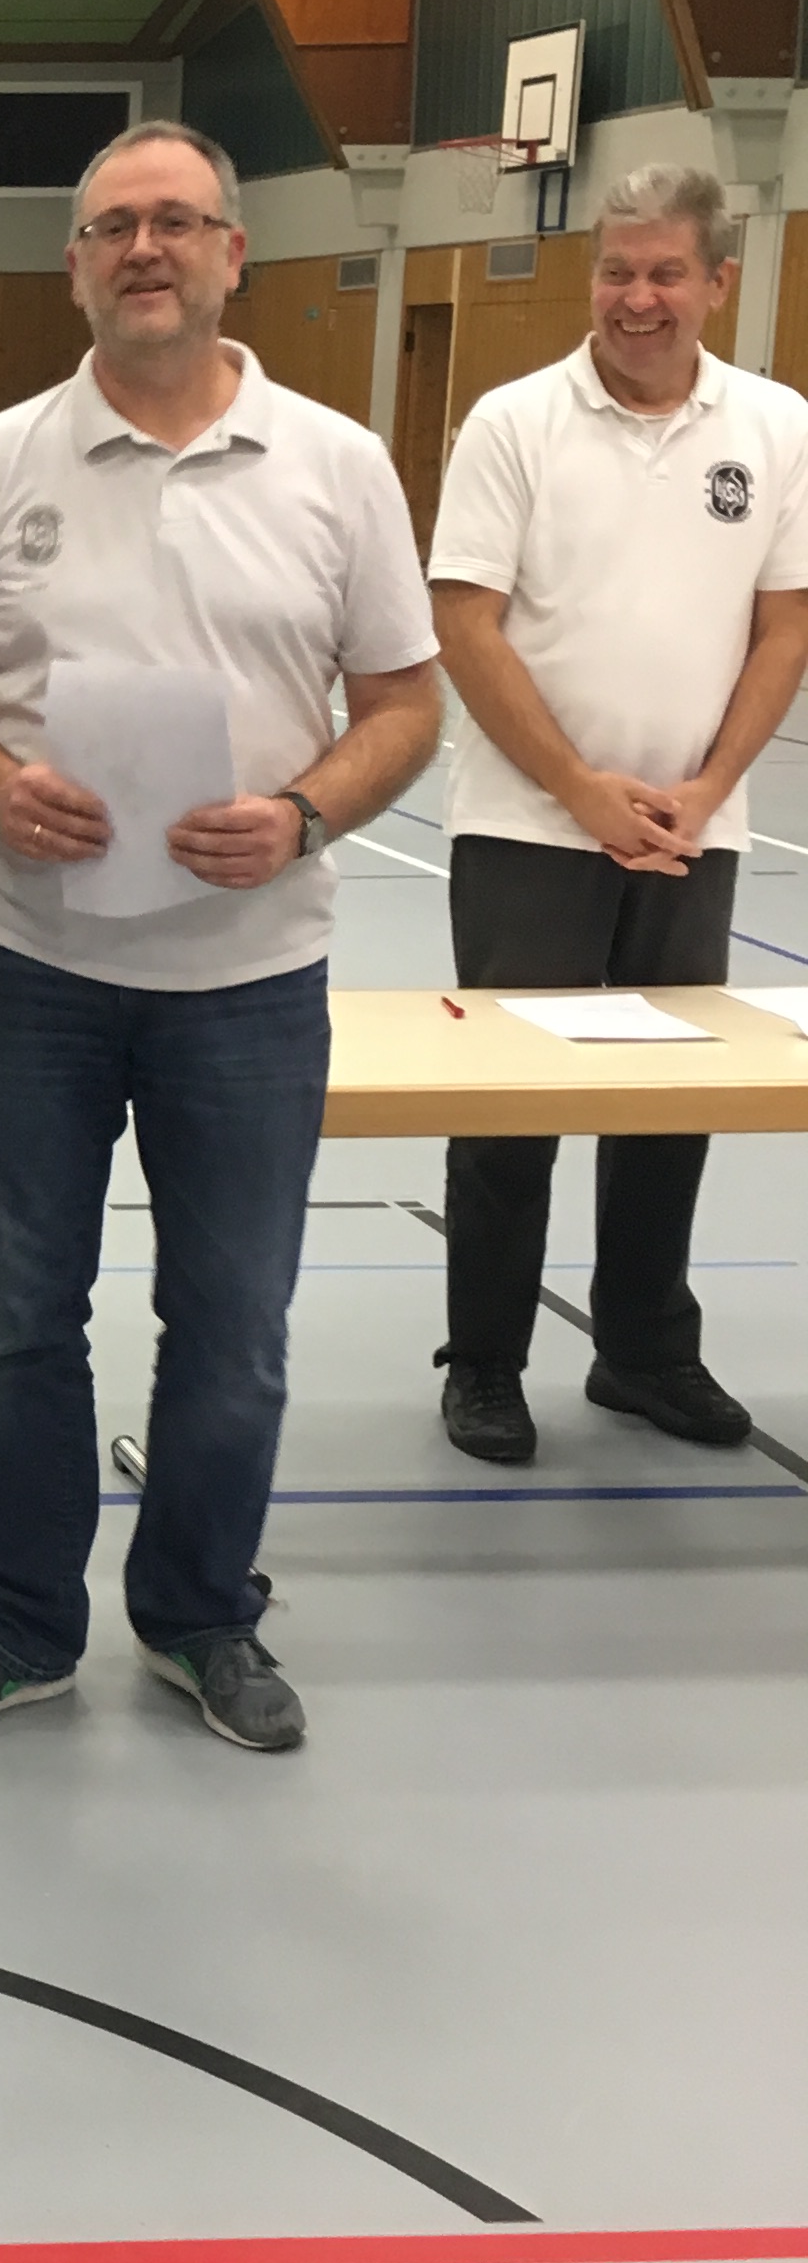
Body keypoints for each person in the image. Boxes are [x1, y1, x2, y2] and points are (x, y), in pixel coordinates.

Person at [0, 121, 442, 1759]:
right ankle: (16, 1621)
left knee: (236, 1330)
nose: (146, 249)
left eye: (178, 222)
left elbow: (405, 705)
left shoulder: (337, 463)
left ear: (232, 254)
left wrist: (308, 814)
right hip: (30, 974)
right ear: (74, 264)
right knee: (17, 1319)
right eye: (114, 225)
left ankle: (201, 1615)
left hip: (250, 985)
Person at [426, 162, 808, 1463]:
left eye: (665, 273)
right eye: (616, 270)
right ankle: (485, 1360)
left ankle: (644, 1350)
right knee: (510, 1103)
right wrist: (582, 790)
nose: (637, 298)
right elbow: (465, 622)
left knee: (668, 1099)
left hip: (692, 832)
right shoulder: (514, 423)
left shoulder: (776, 426)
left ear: (719, 283)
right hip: (527, 828)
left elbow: (785, 626)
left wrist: (706, 790)